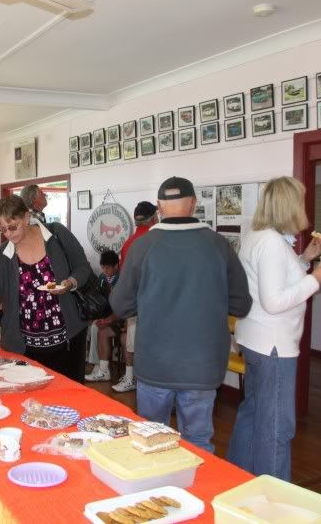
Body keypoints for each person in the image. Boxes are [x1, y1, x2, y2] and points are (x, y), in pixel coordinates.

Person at [110, 177, 252, 452]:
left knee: (149, 442)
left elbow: (121, 305)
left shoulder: (142, 246)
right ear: (194, 203)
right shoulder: (219, 245)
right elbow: (241, 305)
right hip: (202, 365)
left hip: (155, 364)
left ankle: (154, 494)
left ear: (160, 207)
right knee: (198, 442)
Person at [227, 176, 321, 481]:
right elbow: (274, 301)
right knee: (276, 427)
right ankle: (274, 499)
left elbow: (272, 283)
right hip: (273, 345)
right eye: (299, 200)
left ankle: (238, 477)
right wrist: (316, 279)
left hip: (256, 340)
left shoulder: (259, 236)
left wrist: (305, 259)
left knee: (253, 412)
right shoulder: (272, 243)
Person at [0, 195, 91, 382]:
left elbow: (82, 267)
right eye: (3, 229)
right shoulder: (4, 255)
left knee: (68, 399)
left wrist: (70, 282)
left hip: (68, 341)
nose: (8, 234)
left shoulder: (56, 235)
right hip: (25, 347)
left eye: (13, 227)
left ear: (26, 217)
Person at [111, 201, 158, 393]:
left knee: (131, 343)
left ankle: (130, 379)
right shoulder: (159, 240)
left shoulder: (128, 244)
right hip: (156, 304)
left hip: (135, 303)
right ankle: (151, 383)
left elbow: (124, 280)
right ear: (154, 218)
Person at [85, 250, 123, 382]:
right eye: (103, 267)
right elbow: (99, 300)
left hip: (120, 318)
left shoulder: (122, 279)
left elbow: (123, 306)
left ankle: (101, 368)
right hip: (106, 315)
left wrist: (107, 320)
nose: (105, 270)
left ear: (116, 266)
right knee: (94, 326)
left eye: (107, 267)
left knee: (97, 328)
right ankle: (98, 366)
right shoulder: (101, 278)